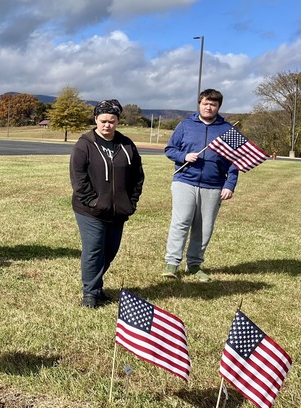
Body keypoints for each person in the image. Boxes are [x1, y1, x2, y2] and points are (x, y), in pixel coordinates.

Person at [70, 99, 145, 308]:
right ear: (95, 119)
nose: (107, 125)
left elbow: (138, 177)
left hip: (118, 210)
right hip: (90, 210)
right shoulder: (84, 144)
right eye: (103, 121)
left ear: (118, 121)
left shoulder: (127, 144)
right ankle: (90, 293)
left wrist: (130, 202)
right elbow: (78, 178)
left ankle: (97, 286)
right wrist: (93, 201)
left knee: (110, 250)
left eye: (111, 121)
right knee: (94, 249)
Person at [162, 88, 238, 282]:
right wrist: (183, 156)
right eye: (205, 103)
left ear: (218, 107)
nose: (209, 107)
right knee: (181, 222)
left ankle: (194, 265)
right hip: (184, 180)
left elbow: (235, 160)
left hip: (213, 185)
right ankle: (172, 263)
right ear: (199, 104)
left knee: (204, 227)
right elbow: (170, 149)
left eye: (213, 104)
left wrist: (229, 184)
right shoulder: (185, 125)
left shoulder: (227, 130)